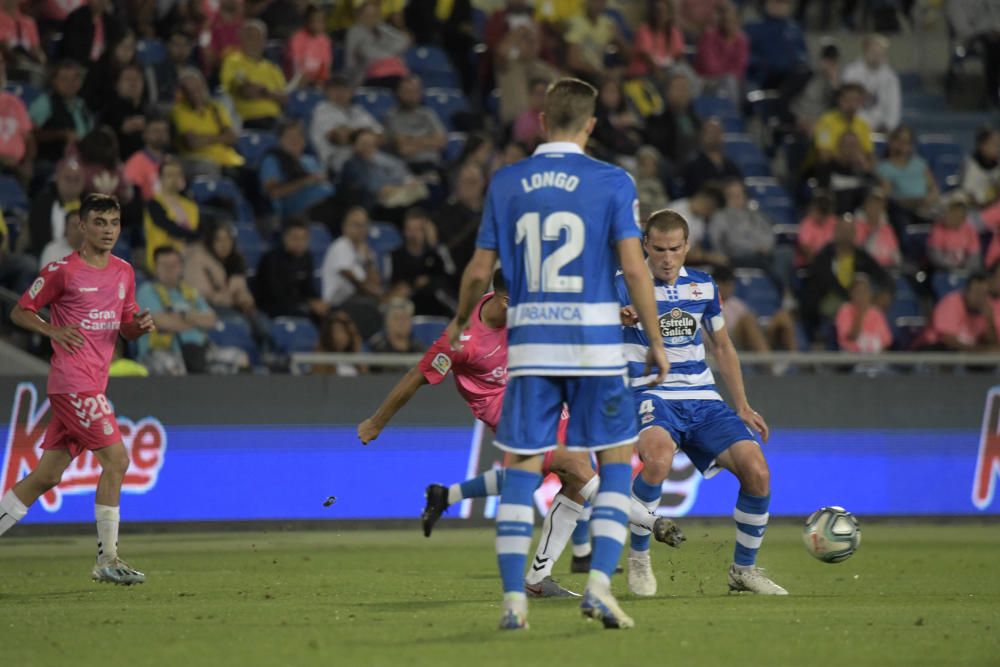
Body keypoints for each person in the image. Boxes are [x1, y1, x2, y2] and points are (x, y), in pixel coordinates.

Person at [447, 78, 669, 630]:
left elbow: (479, 271)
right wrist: (656, 339)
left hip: (532, 348)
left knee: (522, 468)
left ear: (542, 122)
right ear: (591, 125)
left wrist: (457, 324)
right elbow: (634, 267)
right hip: (594, 347)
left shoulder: (507, 183)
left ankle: (513, 602)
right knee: (615, 464)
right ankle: (599, 587)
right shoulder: (613, 181)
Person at [357, 270, 681, 597]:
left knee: (575, 480)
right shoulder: (461, 338)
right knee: (578, 470)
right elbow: (416, 376)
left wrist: (615, 316)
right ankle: (653, 522)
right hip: (509, 411)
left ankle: (536, 577)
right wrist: (376, 422)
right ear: (506, 300)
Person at [617, 208, 785, 599]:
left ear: (687, 246)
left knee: (757, 471)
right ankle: (639, 558)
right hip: (650, 393)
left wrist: (741, 404)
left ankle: (743, 571)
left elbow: (723, 346)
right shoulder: (624, 284)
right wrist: (616, 319)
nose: (667, 258)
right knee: (656, 460)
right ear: (645, 245)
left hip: (702, 397)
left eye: (675, 249)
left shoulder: (703, 287)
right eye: (658, 249)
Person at [3, 193, 154, 584]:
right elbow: (20, 310)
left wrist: (139, 327)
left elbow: (125, 322)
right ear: (82, 226)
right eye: (99, 223)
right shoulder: (62, 270)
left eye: (114, 223)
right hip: (74, 384)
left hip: (90, 382)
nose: (108, 231)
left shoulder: (123, 272)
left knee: (46, 477)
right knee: (117, 461)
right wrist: (53, 329)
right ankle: (107, 559)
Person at [137, 245, 231, 375]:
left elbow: (211, 320)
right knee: (174, 368)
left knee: (239, 360)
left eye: (174, 265)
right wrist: (197, 321)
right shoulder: (147, 291)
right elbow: (162, 322)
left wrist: (183, 316)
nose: (170, 270)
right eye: (164, 265)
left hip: (199, 350)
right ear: (155, 267)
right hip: (162, 351)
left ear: (181, 267)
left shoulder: (190, 292)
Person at [259, 119, 337, 221]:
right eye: (290, 137)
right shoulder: (273, 160)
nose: (295, 140)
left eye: (298, 136)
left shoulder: (310, 160)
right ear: (280, 140)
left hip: (329, 202)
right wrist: (305, 181)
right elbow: (274, 193)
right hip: (299, 212)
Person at [254, 218, 329, 321]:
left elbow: (309, 287)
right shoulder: (271, 259)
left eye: (304, 238)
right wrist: (308, 303)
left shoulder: (307, 257)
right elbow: (276, 294)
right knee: (304, 316)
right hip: (273, 306)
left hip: (299, 304)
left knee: (331, 314)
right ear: (285, 237)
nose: (300, 242)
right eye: (295, 238)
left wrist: (317, 302)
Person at [172, 68, 244, 172]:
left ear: (204, 87)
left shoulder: (215, 108)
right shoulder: (179, 111)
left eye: (197, 88)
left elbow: (232, 137)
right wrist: (220, 137)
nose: (194, 93)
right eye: (189, 90)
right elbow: (193, 143)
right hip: (201, 161)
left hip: (229, 160)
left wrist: (206, 138)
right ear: (182, 93)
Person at [219, 20, 287, 130]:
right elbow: (246, 92)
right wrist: (271, 94)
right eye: (251, 37)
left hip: (276, 120)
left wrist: (263, 91)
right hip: (249, 120)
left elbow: (285, 98)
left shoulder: (272, 68)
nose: (256, 42)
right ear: (242, 39)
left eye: (260, 38)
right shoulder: (232, 61)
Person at [309, 75, 384, 173]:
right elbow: (339, 138)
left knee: (396, 167)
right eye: (335, 89)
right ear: (326, 92)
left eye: (344, 88)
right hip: (340, 162)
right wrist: (366, 135)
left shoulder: (358, 110)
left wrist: (358, 136)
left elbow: (382, 137)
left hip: (369, 157)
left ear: (351, 92)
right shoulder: (322, 110)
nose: (340, 93)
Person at [388, 208, 454, 316]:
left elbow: (450, 273)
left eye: (419, 229)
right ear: (404, 231)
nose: (414, 234)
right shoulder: (395, 256)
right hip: (407, 307)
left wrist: (435, 244)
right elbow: (396, 286)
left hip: (436, 306)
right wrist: (415, 283)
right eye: (410, 229)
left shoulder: (435, 253)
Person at [29, 59, 94, 164]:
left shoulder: (82, 106)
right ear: (54, 81)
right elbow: (30, 134)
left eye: (75, 79)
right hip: (52, 161)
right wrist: (61, 134)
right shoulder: (45, 102)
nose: (70, 83)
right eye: (64, 79)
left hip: (82, 161)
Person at [143, 157, 199, 270]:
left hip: (188, 258)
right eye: (169, 175)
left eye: (178, 175)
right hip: (161, 259)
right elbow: (172, 228)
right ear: (160, 179)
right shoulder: (154, 204)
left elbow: (192, 232)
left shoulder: (191, 206)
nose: (174, 179)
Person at [321, 205, 382, 308]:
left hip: (357, 300)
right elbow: (352, 280)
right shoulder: (341, 246)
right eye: (356, 225)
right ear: (345, 227)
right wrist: (377, 295)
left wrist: (368, 261)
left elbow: (375, 282)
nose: (361, 229)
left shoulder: (364, 248)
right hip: (337, 304)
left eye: (364, 225)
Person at [876, 124, 938, 225]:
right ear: (891, 142)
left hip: (926, 207)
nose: (903, 145)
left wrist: (929, 199)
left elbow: (934, 188)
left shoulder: (920, 164)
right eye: (900, 141)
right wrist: (912, 202)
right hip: (902, 210)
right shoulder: (884, 168)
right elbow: (888, 196)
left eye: (907, 142)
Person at [384, 76, 447, 174]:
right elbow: (403, 148)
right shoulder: (392, 116)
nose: (412, 95)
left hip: (434, 164)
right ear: (398, 93)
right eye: (407, 91)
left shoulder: (428, 113)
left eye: (415, 91)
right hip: (408, 167)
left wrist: (412, 141)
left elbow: (441, 141)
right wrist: (429, 141)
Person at [921, 272, 998, 351]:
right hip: (935, 349)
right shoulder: (952, 302)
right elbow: (950, 341)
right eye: (977, 292)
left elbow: (993, 345)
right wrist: (982, 352)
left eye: (984, 294)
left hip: (965, 355)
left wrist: (990, 321)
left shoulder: (987, 308)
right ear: (966, 291)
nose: (979, 298)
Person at [841, 33, 900, 133]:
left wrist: (889, 127)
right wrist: (860, 125)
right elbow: (847, 103)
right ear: (865, 51)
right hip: (854, 127)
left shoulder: (890, 77)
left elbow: (894, 107)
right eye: (873, 51)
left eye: (880, 52)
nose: (877, 55)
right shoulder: (851, 72)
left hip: (882, 130)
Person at [27, 156, 84, 257]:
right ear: (57, 178)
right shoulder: (43, 202)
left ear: (83, 182)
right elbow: (37, 235)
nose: (71, 183)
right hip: (46, 254)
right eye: (67, 178)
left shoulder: (90, 205)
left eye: (76, 179)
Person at [812, 83, 874, 165]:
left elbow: (870, 156)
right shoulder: (826, 121)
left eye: (855, 100)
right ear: (839, 100)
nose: (851, 104)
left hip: (854, 170)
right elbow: (824, 155)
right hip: (828, 168)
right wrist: (850, 156)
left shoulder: (863, 125)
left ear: (861, 102)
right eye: (847, 99)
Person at [682, 118, 742, 197]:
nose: (715, 136)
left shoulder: (730, 166)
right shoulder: (694, 165)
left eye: (718, 132)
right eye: (711, 132)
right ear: (702, 136)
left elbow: (739, 186)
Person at [835, 274, 892, 353]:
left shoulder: (876, 312)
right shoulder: (845, 310)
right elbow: (852, 337)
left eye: (865, 291)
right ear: (851, 293)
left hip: (875, 357)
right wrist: (860, 313)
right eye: (858, 292)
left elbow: (886, 341)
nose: (862, 295)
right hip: (851, 356)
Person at [927, 192, 981, 274]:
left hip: (964, 270)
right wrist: (951, 267)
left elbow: (975, 255)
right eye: (949, 213)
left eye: (954, 215)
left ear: (962, 219)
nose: (948, 217)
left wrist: (966, 269)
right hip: (943, 270)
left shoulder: (970, 230)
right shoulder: (938, 228)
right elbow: (935, 256)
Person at [123, 115, 170, 201]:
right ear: (145, 135)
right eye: (156, 131)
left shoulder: (170, 161)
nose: (161, 135)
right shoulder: (135, 163)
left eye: (164, 131)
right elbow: (132, 198)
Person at [854, 187, 901, 270]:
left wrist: (897, 263)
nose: (875, 207)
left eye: (878, 204)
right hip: (868, 269)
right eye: (872, 203)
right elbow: (857, 252)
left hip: (888, 269)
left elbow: (895, 252)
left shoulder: (887, 228)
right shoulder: (856, 225)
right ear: (865, 204)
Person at [288, 4, 332, 87]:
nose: (321, 24)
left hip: (317, 80)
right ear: (308, 21)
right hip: (299, 78)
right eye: (317, 20)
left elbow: (326, 66)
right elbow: (296, 66)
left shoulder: (325, 40)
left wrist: (320, 79)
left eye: (322, 20)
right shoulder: (297, 38)